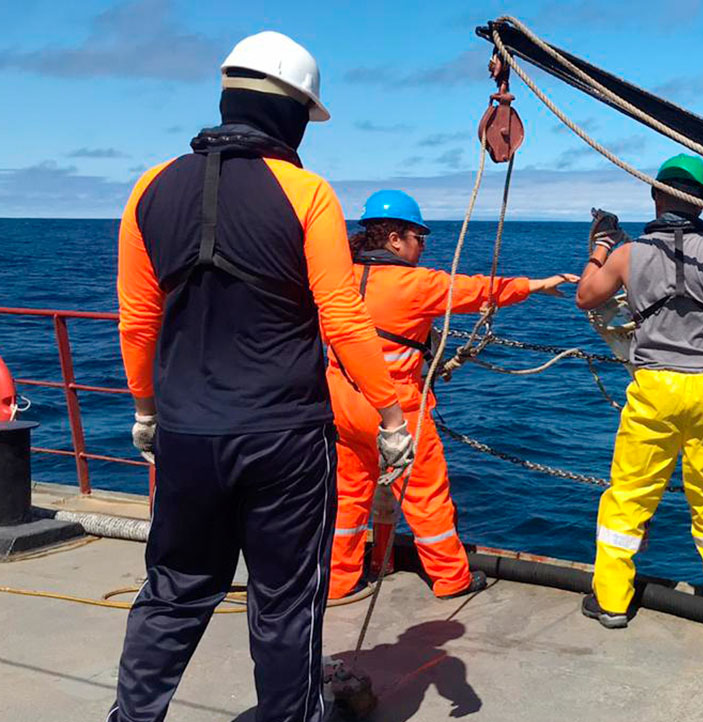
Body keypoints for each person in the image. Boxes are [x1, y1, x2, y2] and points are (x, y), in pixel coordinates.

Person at [113, 32, 413, 722]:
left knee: (173, 591)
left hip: (187, 432)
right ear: (292, 113)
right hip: (285, 439)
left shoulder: (148, 188)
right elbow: (342, 318)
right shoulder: (307, 192)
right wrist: (391, 418)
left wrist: (145, 410)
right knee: (283, 601)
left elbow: (137, 320)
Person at [327, 189, 578, 600]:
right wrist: (535, 284)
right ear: (395, 239)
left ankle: (339, 579)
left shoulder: (340, 278)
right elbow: (478, 290)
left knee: (349, 495)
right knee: (425, 495)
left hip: (340, 402)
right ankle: (451, 579)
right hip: (395, 408)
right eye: (419, 238)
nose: (423, 247)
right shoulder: (418, 285)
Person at [574, 153, 703, 629]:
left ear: (655, 194)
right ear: (702, 204)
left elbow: (586, 297)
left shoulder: (628, 254)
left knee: (630, 494)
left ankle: (612, 600)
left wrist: (600, 247)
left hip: (655, 384)